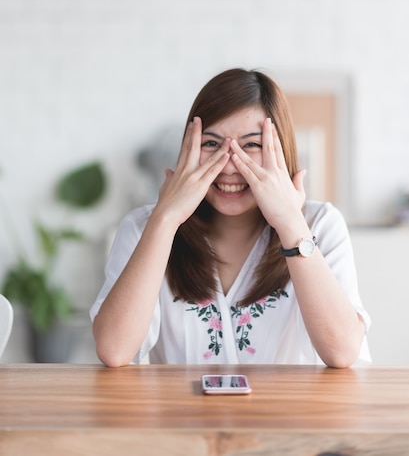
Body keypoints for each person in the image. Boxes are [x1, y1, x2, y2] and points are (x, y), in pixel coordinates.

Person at [90, 68, 371, 368]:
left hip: (289, 415)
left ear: (281, 151)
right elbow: (114, 350)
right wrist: (166, 219)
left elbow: (342, 352)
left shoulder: (321, 224)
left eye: (251, 145)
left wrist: (290, 222)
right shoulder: (143, 227)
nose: (229, 166)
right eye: (211, 144)